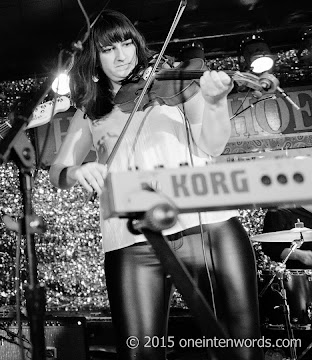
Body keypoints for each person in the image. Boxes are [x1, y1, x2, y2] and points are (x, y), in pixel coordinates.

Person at [48, 10, 263, 360]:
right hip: (132, 241)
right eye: (107, 49)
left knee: (241, 351)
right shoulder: (90, 111)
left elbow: (212, 145)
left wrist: (216, 100)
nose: (122, 57)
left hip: (208, 226)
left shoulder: (174, 84)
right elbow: (59, 169)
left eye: (127, 44)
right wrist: (75, 173)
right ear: (94, 57)